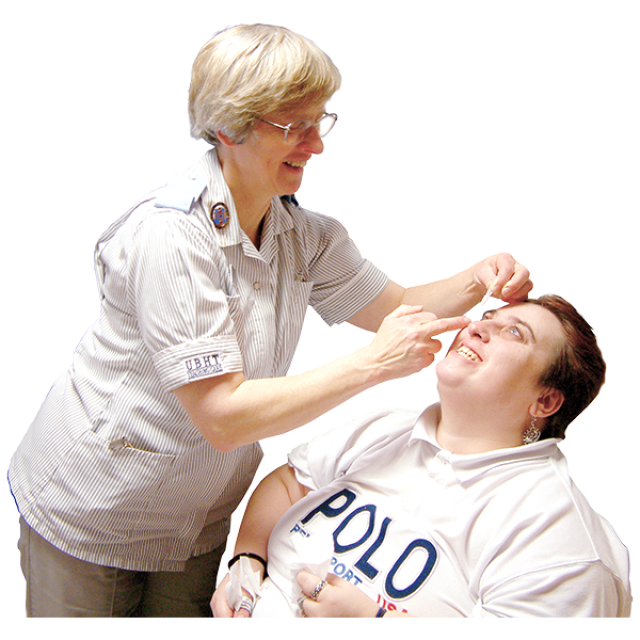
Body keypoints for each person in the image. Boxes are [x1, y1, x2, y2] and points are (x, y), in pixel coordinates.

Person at [8, 23, 533, 618]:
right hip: (99, 502)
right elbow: (223, 416)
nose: (316, 145)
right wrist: (371, 365)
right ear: (227, 127)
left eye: (321, 121)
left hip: (198, 513)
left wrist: (479, 278)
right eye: (293, 126)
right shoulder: (171, 235)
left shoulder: (305, 235)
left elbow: (397, 307)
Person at [212, 294, 632, 618]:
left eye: (515, 334)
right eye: (487, 317)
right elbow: (289, 483)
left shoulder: (561, 538)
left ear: (546, 401)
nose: (477, 328)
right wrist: (248, 558)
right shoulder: (387, 427)